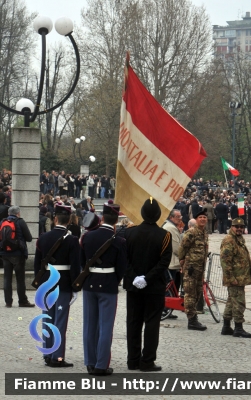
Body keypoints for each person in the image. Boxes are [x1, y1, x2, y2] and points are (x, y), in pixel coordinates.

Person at [124, 198, 172, 372]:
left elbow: (125, 260)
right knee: (152, 324)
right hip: (154, 288)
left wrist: (135, 277)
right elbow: (163, 262)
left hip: (133, 286)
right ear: (159, 215)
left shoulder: (129, 233)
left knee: (133, 322)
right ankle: (147, 361)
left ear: (142, 214)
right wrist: (148, 278)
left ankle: (132, 360)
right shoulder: (165, 235)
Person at [80, 200, 127, 376]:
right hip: (108, 284)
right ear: (116, 220)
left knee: (89, 325)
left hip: (89, 283)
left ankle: (90, 362)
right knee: (106, 326)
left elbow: (81, 260)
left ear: (101, 217)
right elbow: (122, 267)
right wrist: (114, 280)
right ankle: (101, 365)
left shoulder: (87, 236)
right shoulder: (119, 240)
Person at [34, 203, 80, 367]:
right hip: (63, 283)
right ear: (68, 221)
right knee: (60, 320)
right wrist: (75, 287)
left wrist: (38, 282)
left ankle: (47, 354)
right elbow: (75, 266)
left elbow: (37, 263)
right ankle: (57, 357)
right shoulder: (72, 240)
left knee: (47, 318)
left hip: (46, 282)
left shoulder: (43, 238)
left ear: (55, 219)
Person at [220, 217, 251, 338]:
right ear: (232, 227)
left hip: (240, 276)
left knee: (231, 301)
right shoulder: (229, 240)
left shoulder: (238, 239)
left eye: (241, 227)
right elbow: (225, 261)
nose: (239, 229)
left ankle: (226, 327)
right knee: (239, 302)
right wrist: (231, 277)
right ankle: (239, 328)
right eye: (236, 227)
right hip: (235, 277)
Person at [178, 209, 208, 331]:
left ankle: (194, 316)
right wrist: (182, 260)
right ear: (196, 220)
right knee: (190, 294)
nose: (202, 219)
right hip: (191, 268)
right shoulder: (191, 232)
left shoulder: (204, 233)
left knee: (197, 293)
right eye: (200, 217)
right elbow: (183, 247)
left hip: (200, 269)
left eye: (204, 217)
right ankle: (192, 320)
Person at [0, 206, 34, 307]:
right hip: (18, 253)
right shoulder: (20, 221)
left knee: (7, 278)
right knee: (20, 279)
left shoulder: (2, 222)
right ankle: (22, 301)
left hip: (5, 253)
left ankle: (8, 302)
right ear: (18, 213)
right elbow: (29, 238)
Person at [162, 209, 182, 319]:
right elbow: (176, 248)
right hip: (171, 263)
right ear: (171, 217)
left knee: (169, 286)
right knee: (169, 286)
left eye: (180, 216)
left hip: (170, 262)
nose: (180, 219)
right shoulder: (171, 228)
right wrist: (183, 256)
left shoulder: (168, 226)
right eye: (177, 217)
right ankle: (165, 309)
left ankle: (167, 309)